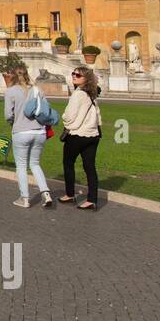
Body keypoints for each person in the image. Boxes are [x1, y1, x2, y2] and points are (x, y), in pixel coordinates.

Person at [3, 64, 53, 208]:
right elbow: (46, 109)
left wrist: (13, 121)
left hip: (21, 132)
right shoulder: (37, 90)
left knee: (21, 166)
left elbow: (8, 115)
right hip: (39, 132)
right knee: (35, 164)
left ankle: (24, 198)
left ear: (12, 76)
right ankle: (46, 193)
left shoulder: (11, 91)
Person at [59, 65, 103, 211]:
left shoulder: (78, 94)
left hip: (78, 134)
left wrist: (64, 119)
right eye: (73, 74)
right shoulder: (92, 93)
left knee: (68, 163)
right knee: (90, 167)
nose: (74, 76)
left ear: (86, 79)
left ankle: (70, 194)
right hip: (93, 134)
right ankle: (92, 199)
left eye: (77, 75)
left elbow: (70, 116)